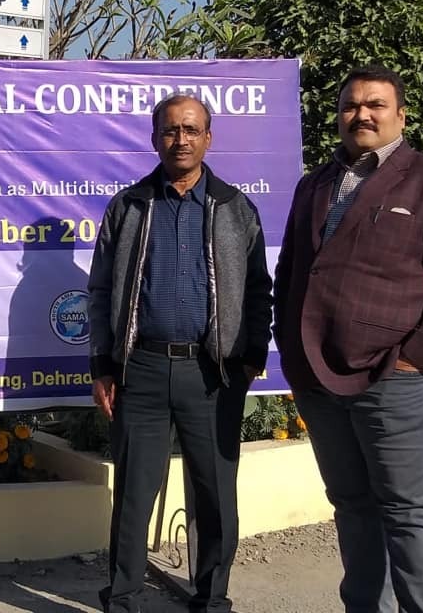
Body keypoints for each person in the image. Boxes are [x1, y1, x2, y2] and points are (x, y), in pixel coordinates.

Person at [88, 94, 273, 613]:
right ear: (154, 139)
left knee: (215, 496)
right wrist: (103, 364)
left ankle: (211, 600)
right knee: (133, 496)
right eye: (170, 130)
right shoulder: (129, 206)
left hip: (212, 374)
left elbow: (258, 290)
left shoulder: (235, 208)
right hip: (141, 370)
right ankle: (123, 600)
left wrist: (251, 355)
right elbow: (100, 291)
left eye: (191, 130)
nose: (181, 140)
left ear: (208, 138)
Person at [273, 65, 423, 612]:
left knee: (409, 513)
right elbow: (292, 270)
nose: (362, 115)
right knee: (351, 506)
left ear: (401, 115)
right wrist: (291, 349)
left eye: (376, 104)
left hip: (397, 380)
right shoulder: (315, 184)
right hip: (319, 379)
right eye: (351, 105)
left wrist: (417, 357)